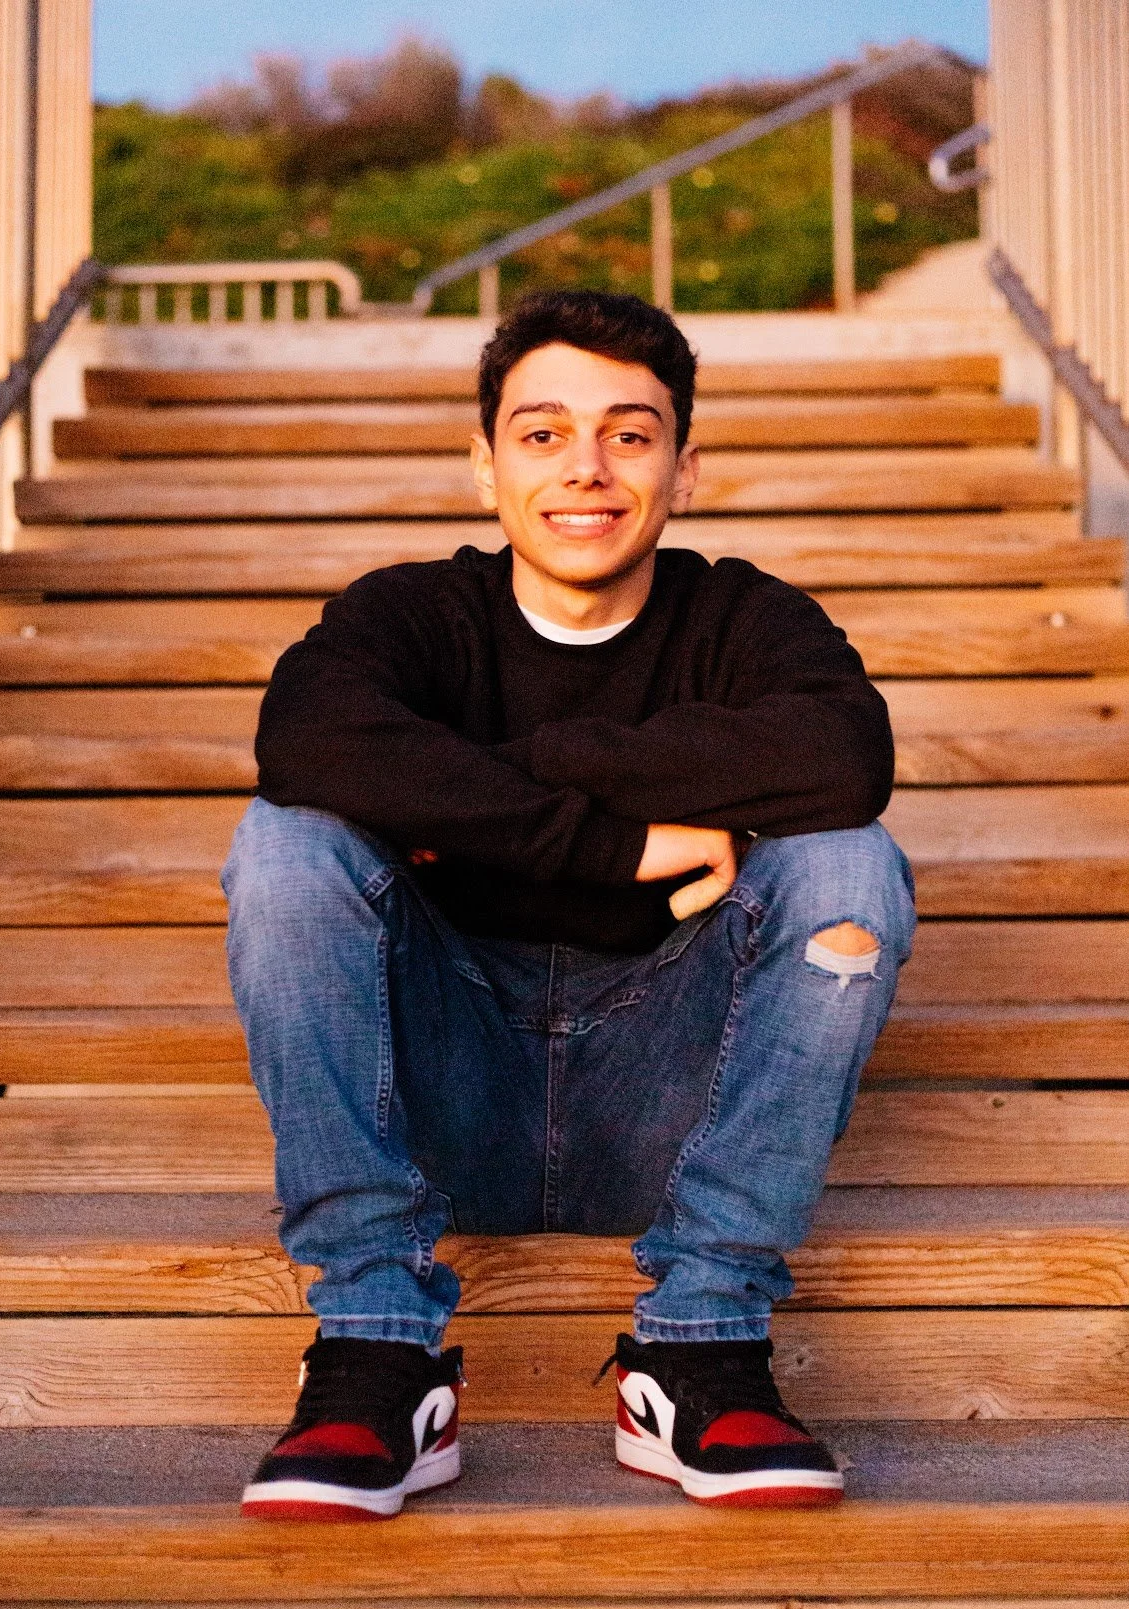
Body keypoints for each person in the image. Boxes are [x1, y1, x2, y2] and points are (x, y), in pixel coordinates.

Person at [223, 289, 916, 1522]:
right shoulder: (412, 614)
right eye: (543, 433)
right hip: (441, 1089)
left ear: (685, 470)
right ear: (484, 463)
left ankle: (699, 1341)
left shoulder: (745, 619)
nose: (585, 469)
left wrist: (508, 766)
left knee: (850, 866)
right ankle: (377, 1349)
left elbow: (845, 757)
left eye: (629, 434)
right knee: (287, 848)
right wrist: (622, 843)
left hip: (672, 1096)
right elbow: (305, 739)